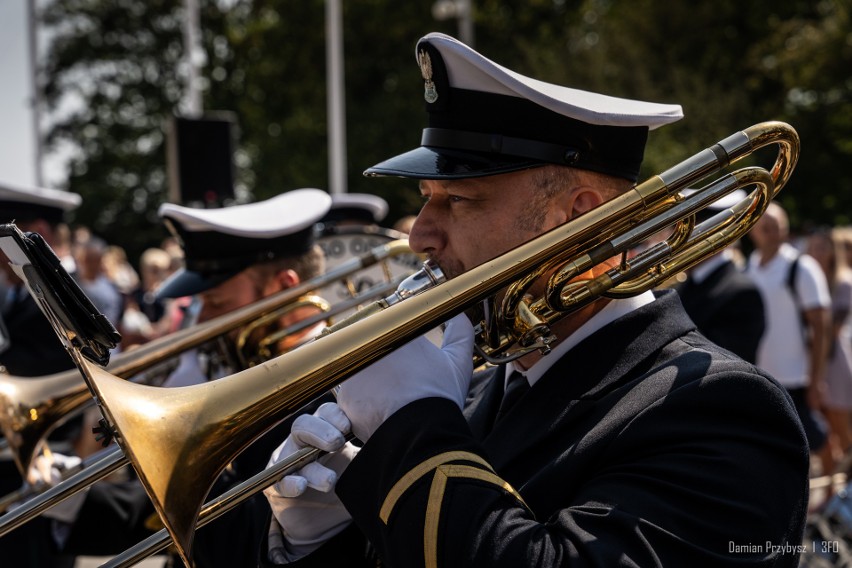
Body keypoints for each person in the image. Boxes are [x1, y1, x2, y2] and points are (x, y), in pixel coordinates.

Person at [261, 33, 809, 567]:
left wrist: (412, 429)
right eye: (426, 200)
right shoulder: (478, 389)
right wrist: (318, 537)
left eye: (458, 200)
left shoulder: (717, 406)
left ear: (576, 215)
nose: (420, 236)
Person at [36, 189, 333, 568]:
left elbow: (242, 534)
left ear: (285, 288)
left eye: (218, 303)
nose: (205, 321)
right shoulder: (237, 365)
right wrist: (72, 496)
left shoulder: (334, 393)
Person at [0, 181, 82, 567]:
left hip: (48, 460)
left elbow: (55, 369)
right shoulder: (17, 291)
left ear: (39, 235)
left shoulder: (69, 296)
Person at [747, 202, 834, 483]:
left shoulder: (802, 267)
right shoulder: (750, 266)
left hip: (797, 376)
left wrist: (816, 378)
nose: (771, 234)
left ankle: (835, 499)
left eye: (777, 228)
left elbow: (821, 327)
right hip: (764, 375)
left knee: (818, 442)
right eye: (766, 228)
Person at [673, 189, 765, 363]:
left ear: (711, 235)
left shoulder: (742, 292)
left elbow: (725, 363)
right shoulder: (688, 284)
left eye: (682, 234)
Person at [806, 227, 852, 460]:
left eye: (822, 247)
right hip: (813, 361)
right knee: (823, 434)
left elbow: (831, 331)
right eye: (813, 247)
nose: (817, 253)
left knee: (842, 430)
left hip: (834, 363)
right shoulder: (807, 281)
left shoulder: (843, 283)